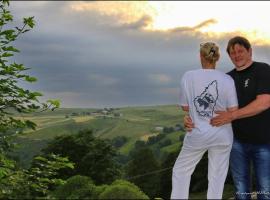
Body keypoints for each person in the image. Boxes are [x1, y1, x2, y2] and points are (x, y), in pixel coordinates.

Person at [184, 36, 270, 200]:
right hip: (236, 143)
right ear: (229, 56)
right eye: (232, 53)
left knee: (265, 187)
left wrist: (232, 115)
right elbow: (211, 110)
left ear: (250, 51)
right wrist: (189, 119)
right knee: (241, 187)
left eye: (240, 51)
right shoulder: (226, 79)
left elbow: (264, 102)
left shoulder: (263, 69)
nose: (237, 55)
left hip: (264, 142)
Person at [171, 42, 238, 199]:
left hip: (198, 133)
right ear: (218, 58)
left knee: (181, 170)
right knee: (217, 176)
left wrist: (193, 115)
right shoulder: (227, 79)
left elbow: (185, 108)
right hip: (223, 134)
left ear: (201, 56)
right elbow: (233, 110)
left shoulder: (189, 76)